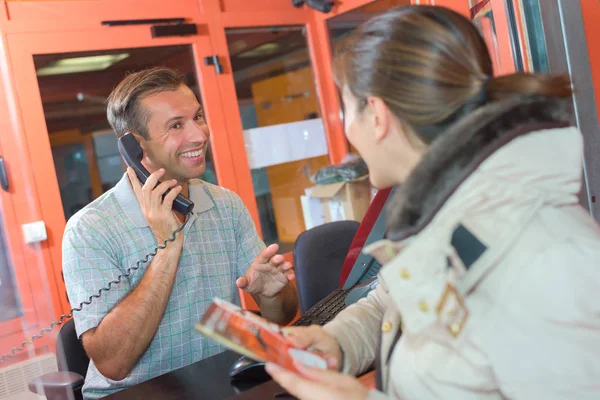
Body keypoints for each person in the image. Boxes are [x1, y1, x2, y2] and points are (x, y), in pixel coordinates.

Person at [265, 5, 600, 400]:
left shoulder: (549, 257)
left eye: (346, 110)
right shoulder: (443, 215)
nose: (347, 130)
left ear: (376, 115)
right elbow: (389, 305)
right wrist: (336, 342)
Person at [62, 67, 298, 399]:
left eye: (197, 117)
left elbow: (283, 316)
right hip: (138, 394)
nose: (200, 135)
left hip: (218, 381)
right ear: (134, 146)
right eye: (176, 125)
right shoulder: (89, 229)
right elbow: (113, 363)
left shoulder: (225, 204)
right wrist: (167, 247)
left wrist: (274, 296)